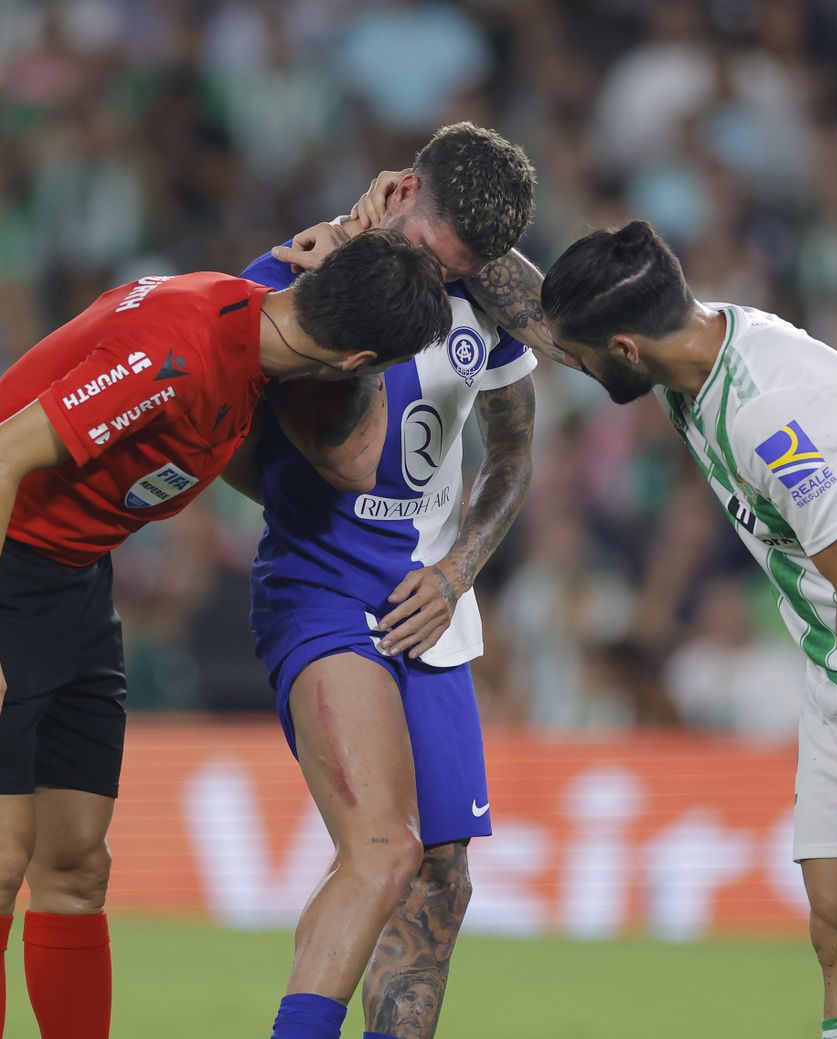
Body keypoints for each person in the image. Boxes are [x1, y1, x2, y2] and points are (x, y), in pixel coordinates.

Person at [0, 229, 451, 1039]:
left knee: (79, 865)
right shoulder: (178, 351)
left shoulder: (256, 341)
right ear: (359, 361)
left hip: (73, 570)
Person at [540, 221, 837, 1039]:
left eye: (580, 356)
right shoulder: (687, 346)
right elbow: (549, 318)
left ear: (623, 347)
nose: (573, 368)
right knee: (833, 925)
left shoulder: (768, 414)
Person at [228, 123, 542, 1039]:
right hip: (319, 589)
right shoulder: (290, 279)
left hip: (431, 609)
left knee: (441, 872)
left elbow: (515, 452)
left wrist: (456, 570)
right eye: (426, 257)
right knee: (379, 850)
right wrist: (292, 499)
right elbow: (220, 439)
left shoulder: (482, 295)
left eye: (459, 269)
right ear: (400, 193)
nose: (438, 282)